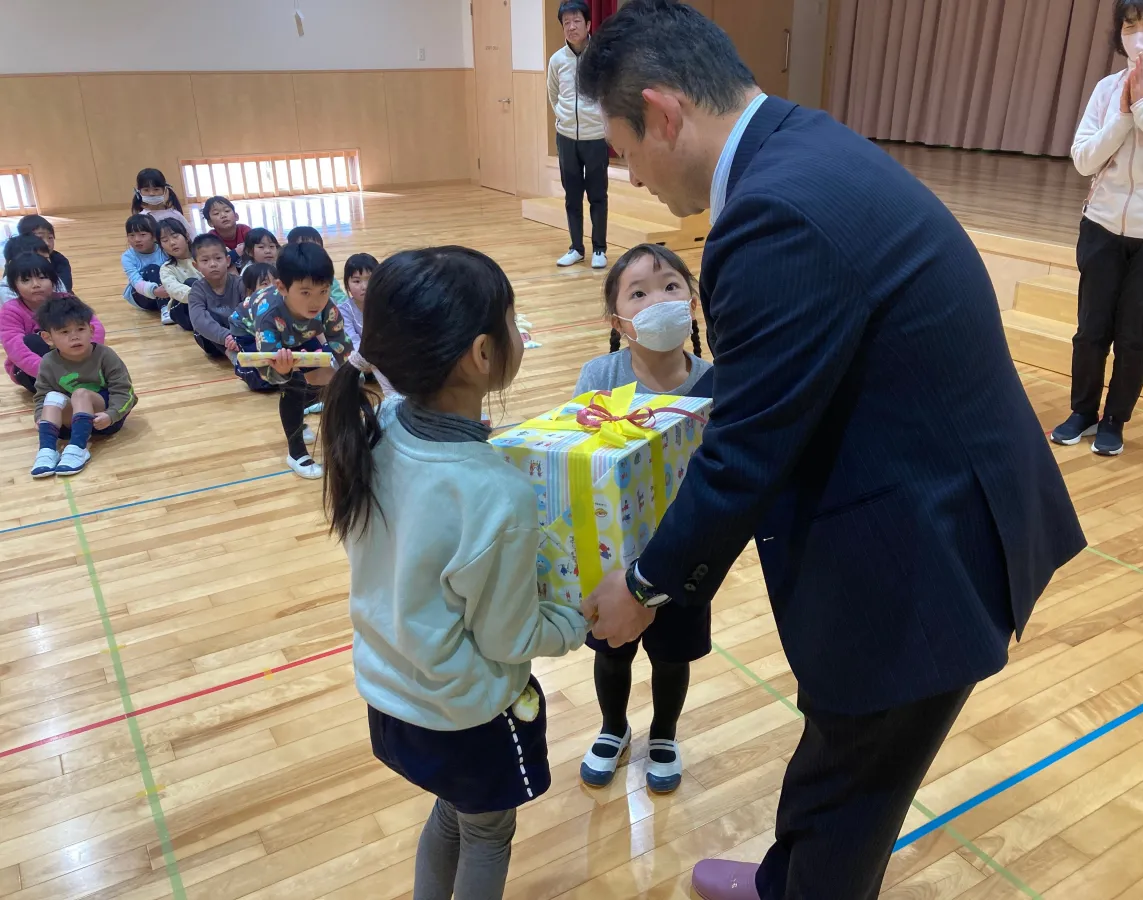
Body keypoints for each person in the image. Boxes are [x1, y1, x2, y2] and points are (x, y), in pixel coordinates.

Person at [576, 4, 1085, 899]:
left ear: (661, 113)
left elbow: (745, 454)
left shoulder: (770, 214)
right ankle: (786, 881)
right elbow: (786, 382)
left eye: (623, 150)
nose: (631, 175)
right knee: (837, 769)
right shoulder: (803, 143)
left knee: (850, 795)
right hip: (934, 499)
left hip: (927, 554)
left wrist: (646, 585)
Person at [320, 246, 589, 900]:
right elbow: (507, 636)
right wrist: (575, 622)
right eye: (513, 320)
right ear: (481, 354)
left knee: (451, 812)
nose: (519, 331)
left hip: (390, 695)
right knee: (488, 833)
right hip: (466, 713)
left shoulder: (379, 424)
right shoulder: (496, 493)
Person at [573, 243, 711, 794]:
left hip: (684, 556)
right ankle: (613, 728)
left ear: (692, 303)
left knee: (672, 657)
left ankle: (664, 734)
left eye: (670, 286)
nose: (658, 300)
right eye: (638, 293)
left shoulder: (713, 383)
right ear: (618, 321)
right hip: (613, 555)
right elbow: (578, 460)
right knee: (612, 652)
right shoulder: (599, 375)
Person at [1051, 0, 1143, 457]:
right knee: (1090, 330)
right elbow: (1084, 159)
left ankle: (1115, 419)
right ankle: (1083, 411)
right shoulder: (1107, 87)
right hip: (1102, 225)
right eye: (1130, 25)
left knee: (1134, 335)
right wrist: (1122, 115)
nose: (1139, 33)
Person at [229, 241, 349, 478]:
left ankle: (300, 415)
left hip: (298, 332)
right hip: (251, 332)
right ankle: (296, 453)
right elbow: (269, 373)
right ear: (282, 287)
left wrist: (351, 374)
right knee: (292, 385)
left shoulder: (326, 307)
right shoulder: (268, 315)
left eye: (323, 291)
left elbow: (340, 343)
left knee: (328, 378)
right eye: (305, 292)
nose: (316, 301)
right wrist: (282, 372)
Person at [30, 294, 136, 477]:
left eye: (80, 329)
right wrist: (40, 417)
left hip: (104, 419)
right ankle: (47, 450)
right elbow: (41, 396)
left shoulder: (105, 355)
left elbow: (125, 392)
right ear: (48, 338)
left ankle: (79, 448)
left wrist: (111, 415)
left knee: (80, 393)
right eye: (64, 332)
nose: (74, 337)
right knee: (52, 397)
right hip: (70, 423)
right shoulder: (48, 361)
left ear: (91, 330)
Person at [548, 0, 608, 270]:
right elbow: (553, 94)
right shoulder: (557, 60)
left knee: (597, 195)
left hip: (595, 137)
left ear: (588, 24)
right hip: (566, 137)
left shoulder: (601, 58)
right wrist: (563, 118)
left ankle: (599, 249)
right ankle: (576, 248)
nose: (571, 27)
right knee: (572, 196)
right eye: (566, 23)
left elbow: (610, 94)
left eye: (576, 21)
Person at [2, 253, 105, 393]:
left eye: (42, 277)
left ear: (53, 279)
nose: (36, 284)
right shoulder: (10, 311)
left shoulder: (66, 300)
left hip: (74, 363)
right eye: (26, 280)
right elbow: (17, 350)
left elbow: (95, 328)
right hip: (34, 372)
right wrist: (55, 374)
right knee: (32, 341)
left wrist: (85, 361)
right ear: (15, 286)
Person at [188, 233, 251, 364]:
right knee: (203, 324)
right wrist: (227, 337)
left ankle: (243, 350)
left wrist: (239, 336)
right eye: (205, 260)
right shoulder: (197, 289)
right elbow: (199, 320)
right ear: (196, 266)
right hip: (212, 342)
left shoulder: (240, 283)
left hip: (241, 336)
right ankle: (232, 354)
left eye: (218, 258)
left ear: (227, 261)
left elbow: (251, 312)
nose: (213, 264)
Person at [121, 215, 170, 318]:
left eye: (142, 235)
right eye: (131, 235)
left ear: (154, 236)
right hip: (142, 297)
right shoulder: (128, 257)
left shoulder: (164, 250)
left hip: (167, 291)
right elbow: (136, 281)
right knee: (152, 269)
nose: (137, 240)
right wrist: (154, 291)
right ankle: (165, 309)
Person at [286, 226, 349, 302]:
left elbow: (340, 298)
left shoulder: (326, 275)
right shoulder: (286, 275)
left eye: (316, 248)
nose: (311, 252)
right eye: (305, 248)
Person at [158, 219, 200, 330]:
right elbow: (174, 290)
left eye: (175, 236)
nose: (172, 243)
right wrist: (206, 295)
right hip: (183, 311)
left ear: (186, 236)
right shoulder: (167, 268)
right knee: (192, 283)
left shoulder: (204, 256)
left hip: (210, 305)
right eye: (165, 240)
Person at [1, 235, 67, 302]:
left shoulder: (52, 276)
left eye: (46, 258)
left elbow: (65, 302)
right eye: (25, 280)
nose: (41, 263)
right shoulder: (6, 289)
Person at [16, 215, 72, 291]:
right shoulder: (16, 262)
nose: (47, 243)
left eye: (50, 238)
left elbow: (65, 286)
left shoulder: (60, 260)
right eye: (40, 238)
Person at [131, 168, 192, 238]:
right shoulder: (140, 218)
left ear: (165, 190)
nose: (151, 193)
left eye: (156, 189)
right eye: (146, 190)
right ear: (139, 192)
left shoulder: (176, 215)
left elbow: (190, 237)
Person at [337, 252, 378, 351]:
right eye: (357, 281)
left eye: (370, 279)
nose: (364, 287)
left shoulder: (386, 303)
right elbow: (353, 341)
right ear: (347, 285)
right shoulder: (344, 311)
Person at [203, 196, 250, 270]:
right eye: (216, 213)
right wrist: (236, 252)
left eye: (227, 211)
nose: (223, 215)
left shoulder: (245, 230)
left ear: (236, 216)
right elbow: (216, 261)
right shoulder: (211, 238)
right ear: (210, 223)